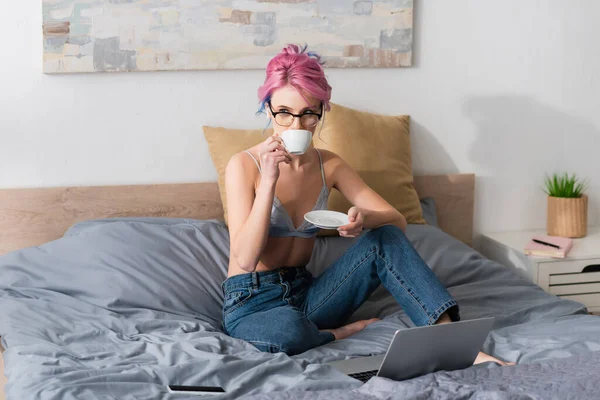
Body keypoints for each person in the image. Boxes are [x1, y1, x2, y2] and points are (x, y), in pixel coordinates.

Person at [222, 44, 512, 365]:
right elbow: (246, 259)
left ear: (322, 111)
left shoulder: (329, 165)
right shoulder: (244, 165)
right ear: (268, 110)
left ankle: (453, 343)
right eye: (284, 113)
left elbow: (397, 222)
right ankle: (339, 333)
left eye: (308, 114)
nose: (296, 126)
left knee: (384, 238)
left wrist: (364, 220)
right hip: (252, 301)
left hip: (307, 295)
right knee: (286, 334)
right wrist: (269, 182)